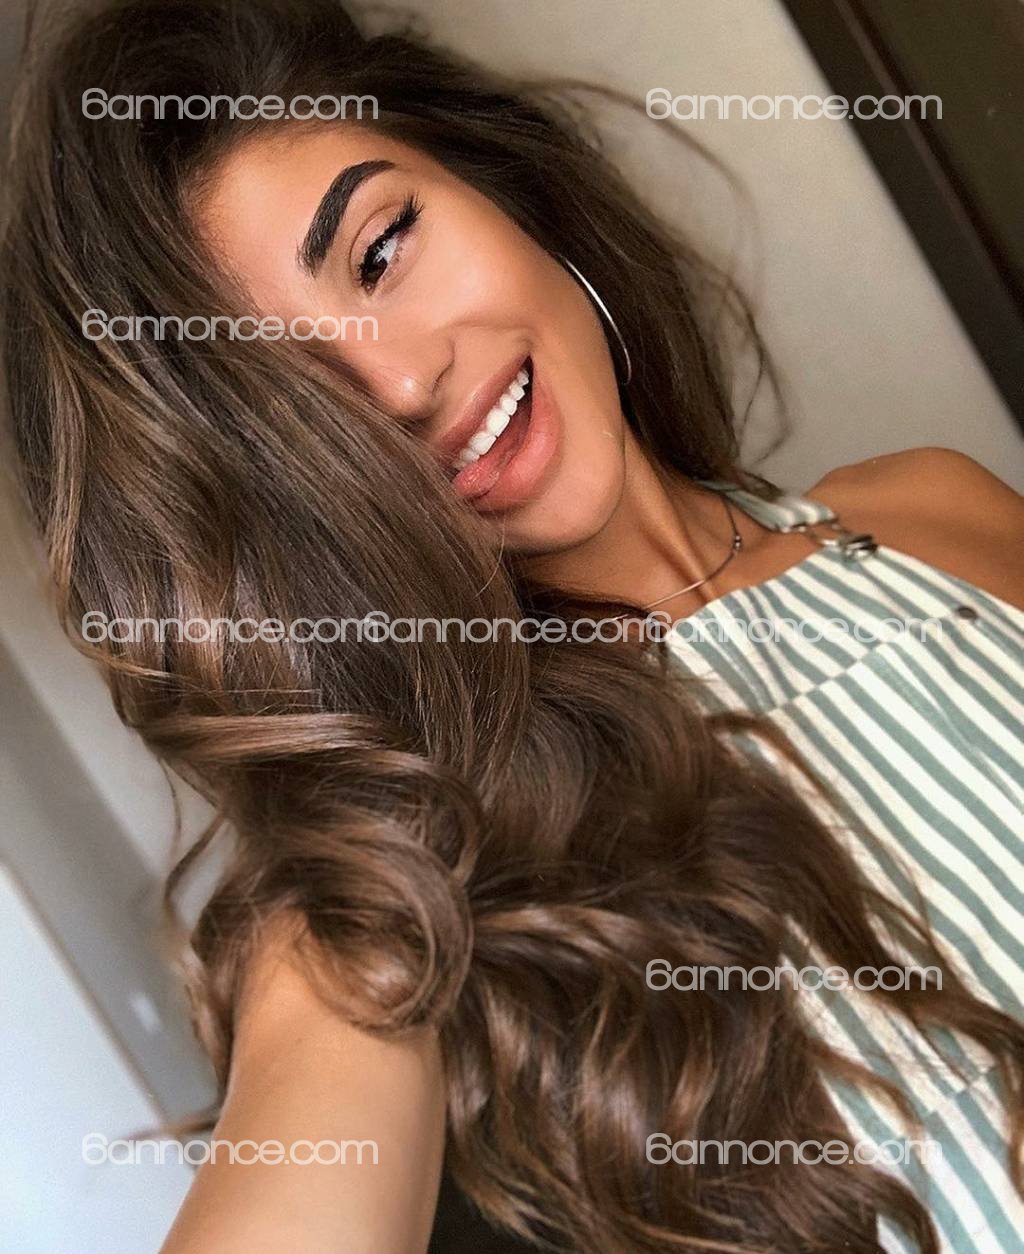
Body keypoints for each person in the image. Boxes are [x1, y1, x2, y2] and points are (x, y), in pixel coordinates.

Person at [3, 1, 1023, 1250]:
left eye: (379, 253)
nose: (401, 383)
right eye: (303, 404)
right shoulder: (399, 880)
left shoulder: (935, 509)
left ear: (500, 182)